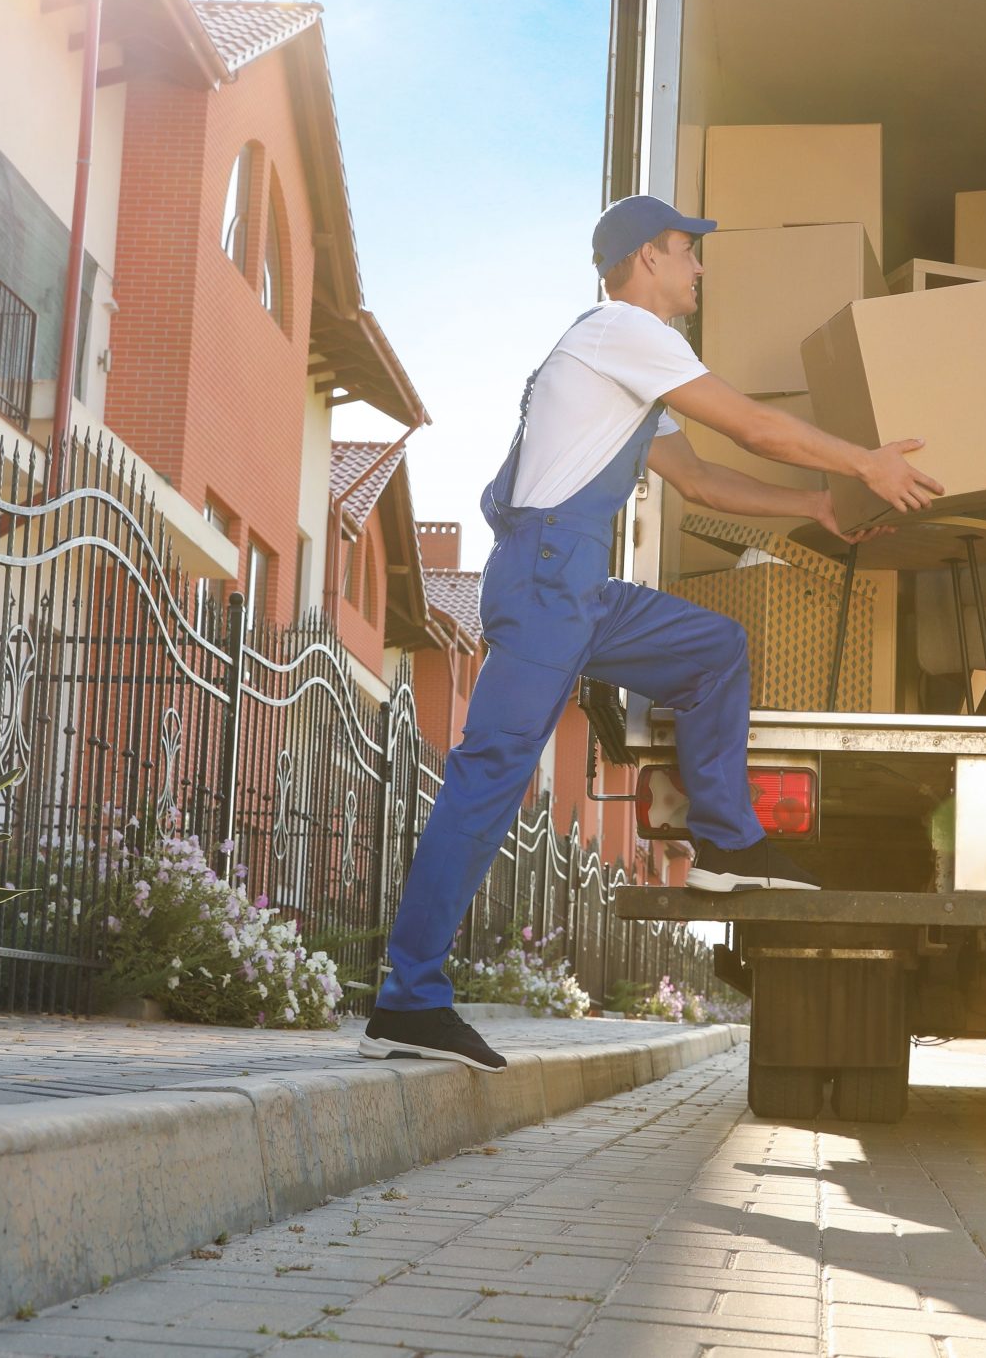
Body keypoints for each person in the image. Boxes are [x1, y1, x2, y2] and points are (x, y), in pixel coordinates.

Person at [362, 194, 942, 1070]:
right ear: (643, 262)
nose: (698, 268)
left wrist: (816, 504)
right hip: (550, 578)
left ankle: (726, 844)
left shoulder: (630, 366)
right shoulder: (619, 330)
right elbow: (746, 423)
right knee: (488, 781)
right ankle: (410, 996)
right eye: (686, 251)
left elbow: (702, 480)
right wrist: (865, 461)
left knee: (712, 649)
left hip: (579, 586)